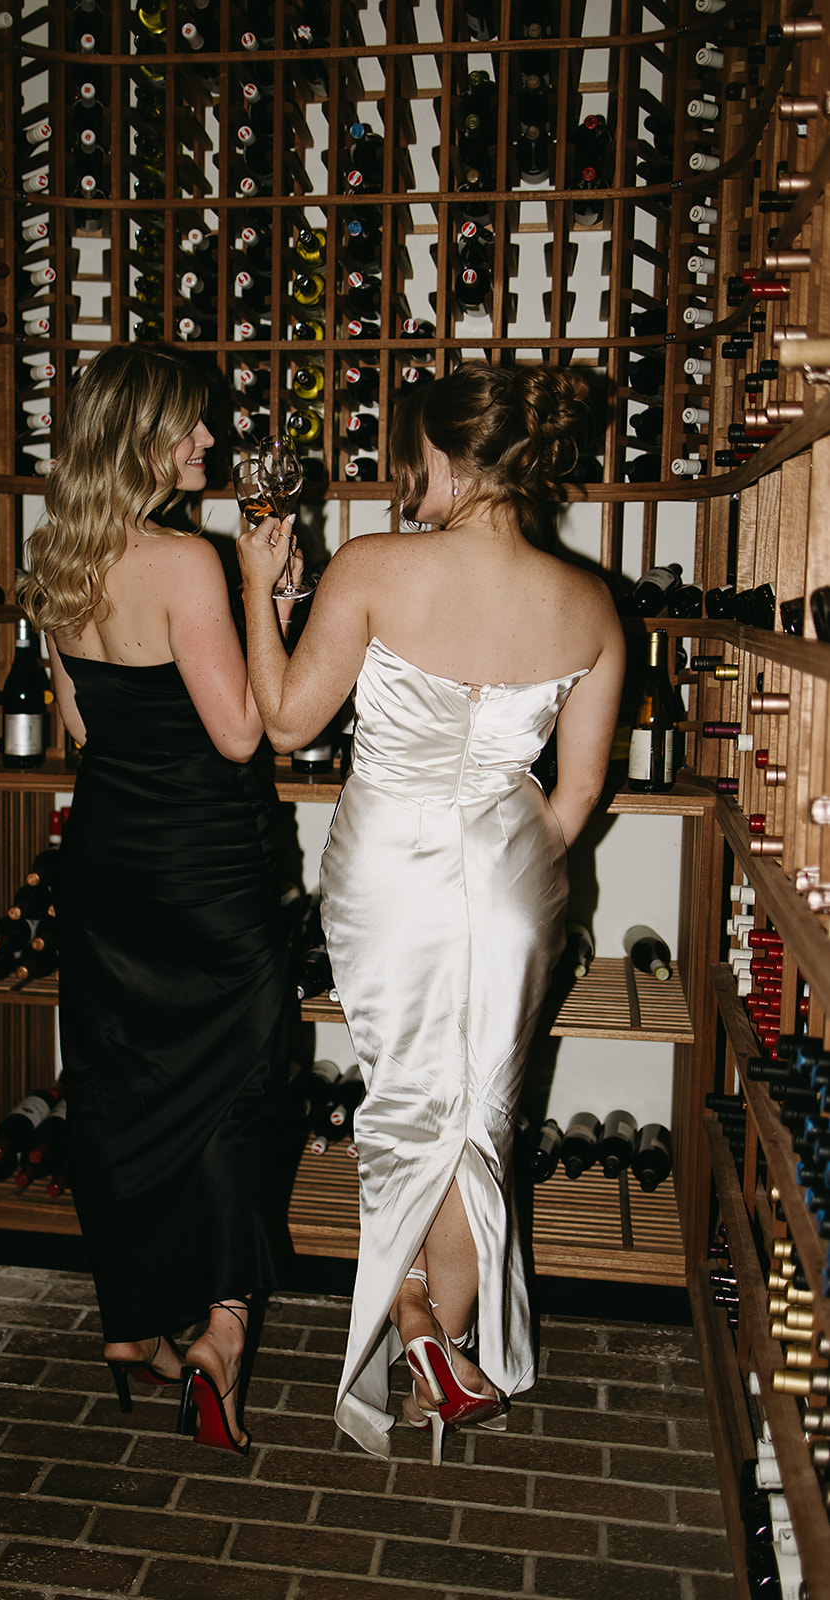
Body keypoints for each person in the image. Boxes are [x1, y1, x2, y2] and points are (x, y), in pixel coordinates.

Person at [237, 361, 625, 1463]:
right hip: (509, 869)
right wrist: (503, 857)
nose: (407, 481)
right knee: (475, 1123)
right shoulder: (588, 602)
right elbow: (581, 794)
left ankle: (412, 1326)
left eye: (414, 462)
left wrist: (265, 590)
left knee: (407, 1105)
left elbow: (283, 726)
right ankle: (435, 1346)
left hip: (386, 870)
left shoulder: (371, 566)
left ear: (448, 458)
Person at [21, 344, 296, 1457]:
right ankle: (223, 1334)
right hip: (205, 874)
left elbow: (82, 732)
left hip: (106, 868)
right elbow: (245, 733)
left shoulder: (55, 558)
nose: (209, 444)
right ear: (141, 435)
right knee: (244, 1086)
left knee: (121, 1086)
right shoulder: (184, 561)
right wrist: (256, 589)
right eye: (190, 427)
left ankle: (134, 1327)